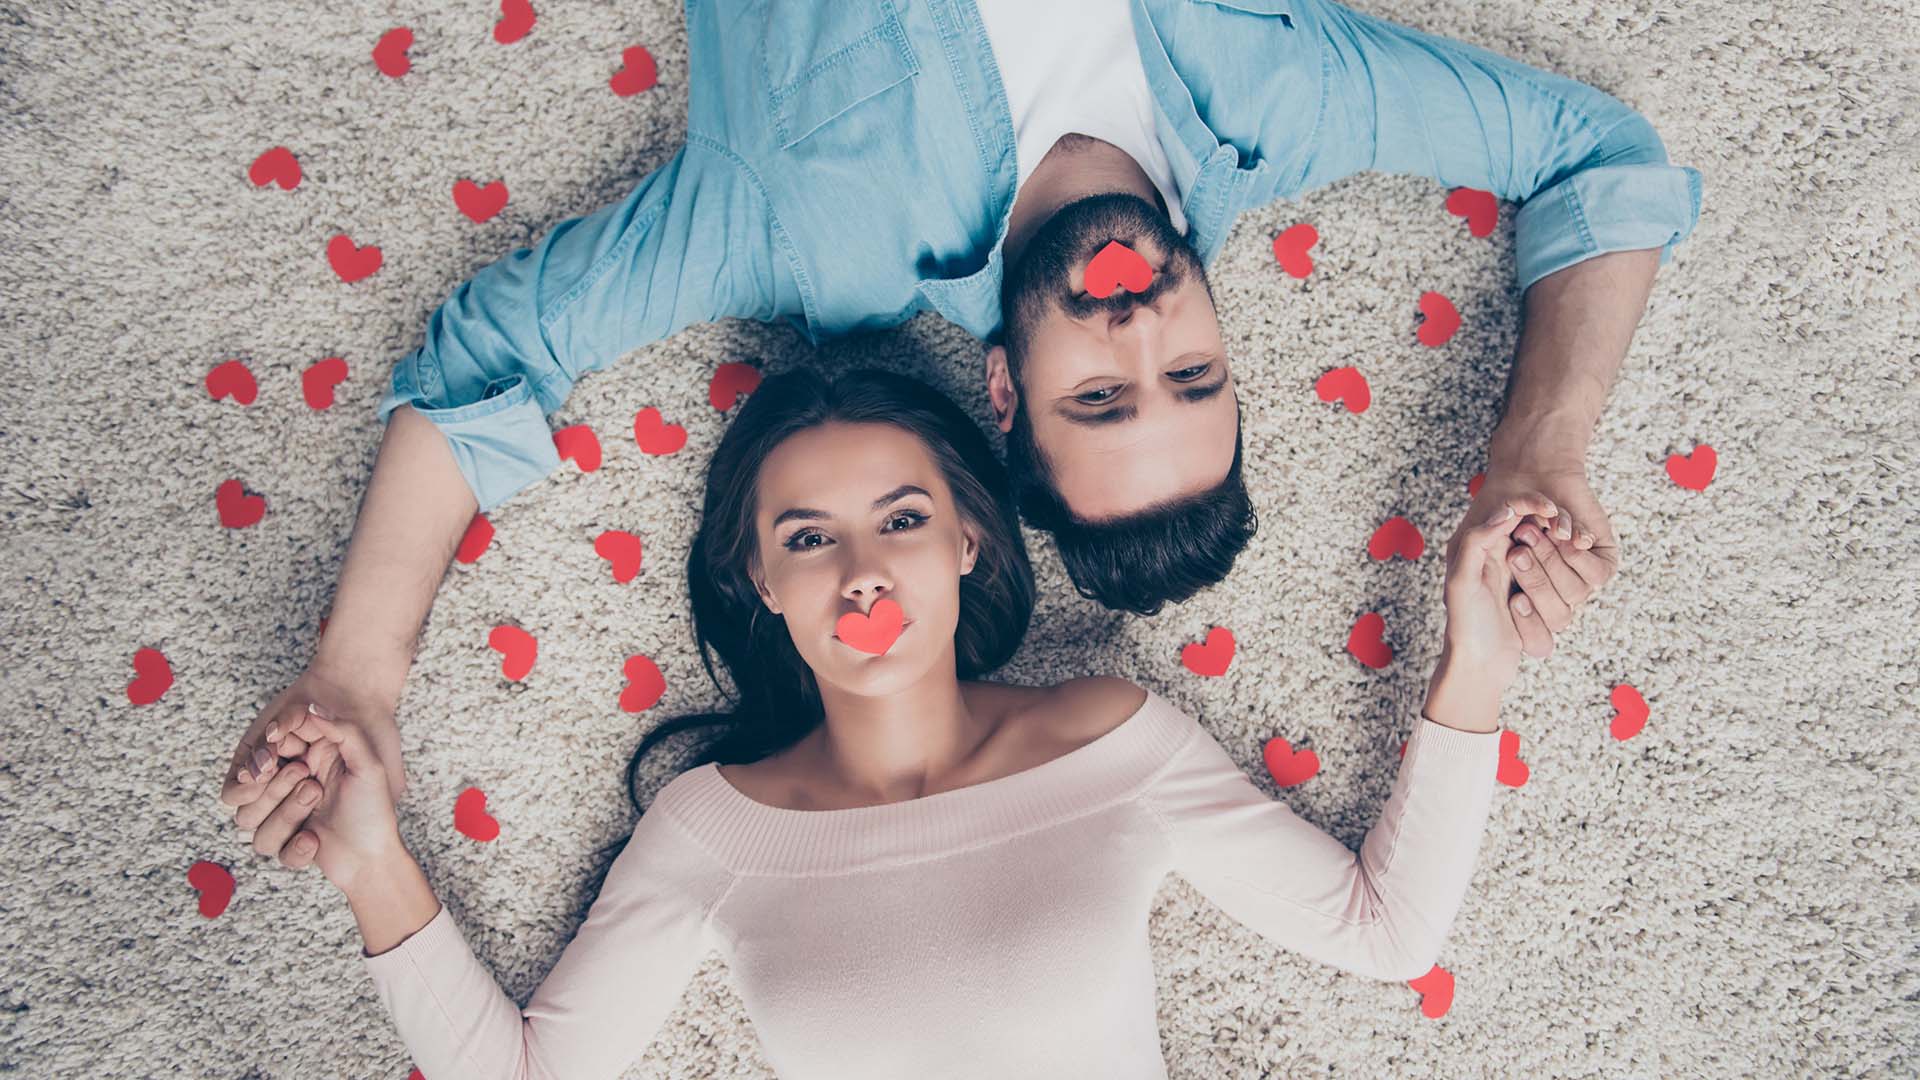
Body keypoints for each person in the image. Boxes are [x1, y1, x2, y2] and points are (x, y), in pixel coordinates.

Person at [222, 0, 1694, 849]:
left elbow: (494, 358)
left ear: (1002, 391)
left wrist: (358, 668)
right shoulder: (1283, 99)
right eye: (1190, 377)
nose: (1138, 333)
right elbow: (1599, 159)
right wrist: (1539, 450)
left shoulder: (803, 233)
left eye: (1098, 395)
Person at [247, 368, 1535, 1078]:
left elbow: (1385, 931)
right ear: (761, 581)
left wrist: (1474, 655)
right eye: (807, 538)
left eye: (901, 519)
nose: (861, 572)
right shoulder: (716, 831)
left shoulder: (1108, 742)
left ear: (969, 537)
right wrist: (371, 863)